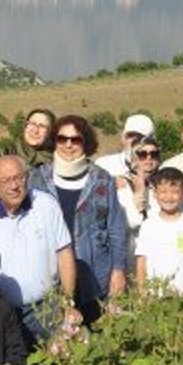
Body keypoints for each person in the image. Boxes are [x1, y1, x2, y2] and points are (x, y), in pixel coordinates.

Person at [0, 155, 77, 349]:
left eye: (19, 178)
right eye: (6, 180)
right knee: (11, 364)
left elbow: (65, 254)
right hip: (1, 312)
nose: (14, 186)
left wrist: (67, 302)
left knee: (59, 360)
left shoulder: (46, 205)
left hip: (48, 308)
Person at [30, 115, 128, 323]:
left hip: (94, 277)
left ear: (86, 142)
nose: (68, 145)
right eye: (62, 138)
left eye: (75, 139)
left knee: (97, 334)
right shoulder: (37, 178)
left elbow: (116, 229)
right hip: (50, 275)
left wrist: (118, 270)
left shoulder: (102, 179)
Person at [136, 167, 183, 293]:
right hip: (154, 294)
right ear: (155, 194)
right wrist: (142, 292)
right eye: (163, 192)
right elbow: (141, 261)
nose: (168, 197)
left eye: (175, 192)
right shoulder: (148, 225)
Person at [116, 134, 162, 260]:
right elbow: (132, 223)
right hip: (133, 257)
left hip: (158, 255)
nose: (149, 159)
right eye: (142, 154)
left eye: (154, 154)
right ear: (133, 157)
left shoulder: (160, 184)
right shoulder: (123, 185)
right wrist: (139, 193)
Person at [95, 113, 155, 178]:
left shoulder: (157, 171)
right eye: (131, 135)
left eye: (141, 137)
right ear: (123, 138)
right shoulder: (104, 165)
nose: (135, 141)